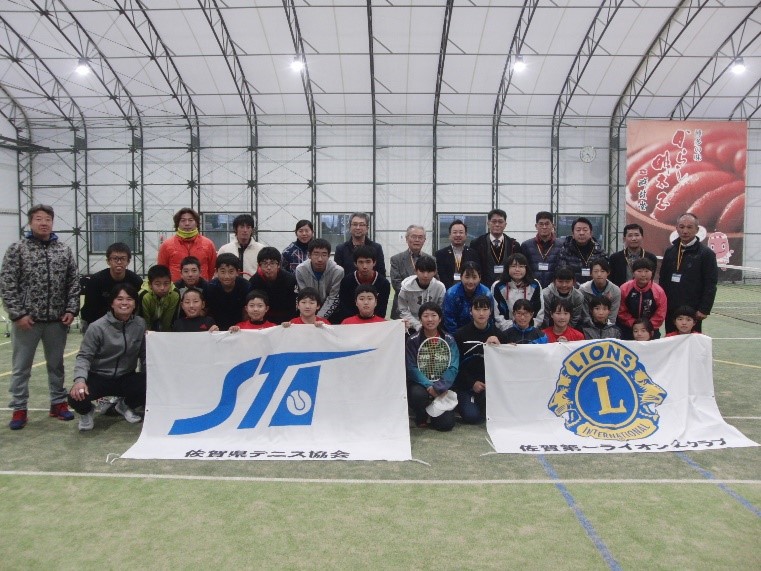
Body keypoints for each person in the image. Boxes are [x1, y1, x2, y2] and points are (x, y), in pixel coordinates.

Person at [1, 204, 80, 430]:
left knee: (56, 365)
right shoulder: (17, 249)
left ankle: (58, 403)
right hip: (27, 322)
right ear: (30, 222)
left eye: (47, 219)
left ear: (52, 223)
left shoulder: (63, 250)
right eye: (38, 219)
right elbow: (7, 283)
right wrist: (18, 314)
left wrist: (71, 309)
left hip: (56, 321)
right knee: (21, 367)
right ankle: (19, 408)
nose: (43, 223)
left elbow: (73, 282)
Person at [68, 284, 146, 431]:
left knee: (150, 386)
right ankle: (87, 411)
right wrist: (79, 381)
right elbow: (84, 357)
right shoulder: (97, 327)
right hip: (99, 377)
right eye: (119, 299)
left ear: (135, 303)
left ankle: (124, 405)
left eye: (129, 299)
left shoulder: (140, 324)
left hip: (126, 377)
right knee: (76, 396)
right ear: (112, 303)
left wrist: (150, 376)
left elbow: (144, 355)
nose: (124, 303)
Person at [659, 213, 718, 334]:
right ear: (676, 228)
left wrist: (704, 309)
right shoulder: (670, 251)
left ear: (697, 229)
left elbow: (710, 284)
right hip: (671, 308)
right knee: (671, 339)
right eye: (681, 227)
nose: (685, 231)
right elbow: (663, 279)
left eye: (689, 227)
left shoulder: (706, 254)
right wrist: (662, 305)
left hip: (693, 310)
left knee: (691, 342)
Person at [405, 302, 459, 431]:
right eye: (425, 316)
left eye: (434, 315)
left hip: (442, 385)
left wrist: (440, 387)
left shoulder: (449, 339)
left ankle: (434, 413)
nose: (430, 319)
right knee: (417, 395)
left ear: (440, 319)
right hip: (421, 385)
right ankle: (421, 415)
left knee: (445, 425)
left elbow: (453, 367)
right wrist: (429, 386)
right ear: (420, 319)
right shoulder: (412, 340)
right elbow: (411, 368)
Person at [453, 295, 506, 424]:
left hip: (489, 386)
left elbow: (505, 364)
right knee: (472, 417)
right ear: (471, 311)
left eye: (485, 309)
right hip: (466, 385)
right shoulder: (460, 334)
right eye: (477, 309)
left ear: (490, 311)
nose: (481, 313)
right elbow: (456, 366)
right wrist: (472, 383)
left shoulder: (499, 335)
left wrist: (504, 348)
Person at [80, 242, 143, 332]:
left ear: (128, 261)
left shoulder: (136, 281)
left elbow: (136, 307)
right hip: (95, 320)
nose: (119, 262)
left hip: (125, 322)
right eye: (115, 258)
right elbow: (90, 309)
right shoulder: (96, 280)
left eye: (123, 259)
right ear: (108, 261)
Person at [157, 207, 217, 281]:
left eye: (191, 220)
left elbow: (212, 269)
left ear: (197, 223)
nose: (187, 223)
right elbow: (162, 270)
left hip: (201, 286)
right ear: (177, 223)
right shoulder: (166, 245)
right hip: (175, 287)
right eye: (183, 220)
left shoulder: (208, 244)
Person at [294, 238, 344, 323]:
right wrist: (310, 317)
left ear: (329, 256)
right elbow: (303, 295)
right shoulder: (300, 270)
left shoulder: (338, 271)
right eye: (316, 254)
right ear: (309, 255)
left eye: (324, 255)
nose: (320, 259)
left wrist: (319, 318)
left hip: (331, 313)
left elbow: (333, 297)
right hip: (308, 309)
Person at [469, 208, 521, 288]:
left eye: (500, 222)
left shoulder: (514, 245)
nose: (497, 224)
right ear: (488, 223)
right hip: (483, 287)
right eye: (494, 221)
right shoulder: (477, 244)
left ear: (505, 224)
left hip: (508, 287)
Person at [337, 245, 390, 322]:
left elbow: (381, 311)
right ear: (355, 263)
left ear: (374, 263)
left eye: (368, 262)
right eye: (361, 262)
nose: (365, 266)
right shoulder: (346, 282)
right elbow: (345, 309)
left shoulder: (384, 283)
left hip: (374, 323)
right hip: (352, 323)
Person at [617, 258, 667, 340]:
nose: (643, 275)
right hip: (628, 329)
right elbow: (621, 310)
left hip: (651, 329)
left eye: (647, 271)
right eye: (639, 271)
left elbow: (660, 314)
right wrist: (634, 325)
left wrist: (647, 327)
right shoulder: (624, 288)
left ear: (652, 273)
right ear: (633, 273)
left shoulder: (659, 291)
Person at [492, 253, 544, 331]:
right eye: (513, 266)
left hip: (530, 329)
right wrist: (512, 328)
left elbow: (539, 311)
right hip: (506, 330)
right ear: (507, 268)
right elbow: (496, 314)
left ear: (526, 268)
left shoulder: (534, 284)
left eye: (521, 266)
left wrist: (528, 327)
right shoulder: (498, 286)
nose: (517, 269)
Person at [249, 247, 298, 324]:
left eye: (272, 263)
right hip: (263, 321)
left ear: (279, 265)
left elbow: (293, 306)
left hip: (286, 320)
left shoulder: (289, 279)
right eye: (265, 263)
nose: (268, 267)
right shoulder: (254, 281)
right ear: (259, 265)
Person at [397, 255, 446, 333]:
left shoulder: (440, 287)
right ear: (415, 271)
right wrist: (417, 325)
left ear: (435, 272)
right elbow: (403, 309)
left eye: (429, 272)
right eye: (422, 271)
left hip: (433, 325)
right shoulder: (406, 287)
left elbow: (441, 309)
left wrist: (431, 323)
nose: (425, 275)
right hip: (411, 325)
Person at [442, 261, 492, 334]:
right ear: (461, 277)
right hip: (457, 333)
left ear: (479, 278)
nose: (470, 281)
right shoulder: (451, 294)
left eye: (474, 277)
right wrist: (457, 337)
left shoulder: (486, 293)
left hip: (481, 331)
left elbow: (490, 318)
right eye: (467, 277)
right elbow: (449, 320)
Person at [205, 253, 250, 331]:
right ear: (216, 272)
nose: (227, 276)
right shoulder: (210, 287)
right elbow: (207, 312)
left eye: (231, 272)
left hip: (239, 329)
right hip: (215, 329)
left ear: (237, 272)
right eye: (223, 272)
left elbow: (247, 312)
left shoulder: (245, 287)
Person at [390, 225, 427, 318]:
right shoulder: (396, 259)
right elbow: (396, 283)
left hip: (425, 306)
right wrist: (415, 295)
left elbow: (435, 282)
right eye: (414, 237)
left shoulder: (430, 259)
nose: (417, 240)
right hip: (402, 306)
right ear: (407, 239)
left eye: (420, 237)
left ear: (424, 240)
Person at [557, 216, 607, 285]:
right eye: (578, 230)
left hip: (594, 289)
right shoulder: (565, 251)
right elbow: (562, 273)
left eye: (585, 230)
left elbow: (604, 274)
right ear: (573, 234)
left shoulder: (599, 251)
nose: (581, 233)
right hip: (572, 289)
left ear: (591, 233)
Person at [334, 212, 386, 277]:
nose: (358, 228)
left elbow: (381, 274)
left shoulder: (376, 248)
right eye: (355, 224)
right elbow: (338, 275)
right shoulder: (341, 249)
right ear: (349, 227)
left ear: (367, 228)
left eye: (361, 225)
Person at [435, 219, 479, 290]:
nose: (458, 235)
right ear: (449, 235)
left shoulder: (473, 253)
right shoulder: (440, 254)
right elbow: (440, 276)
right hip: (447, 291)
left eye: (461, 232)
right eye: (455, 232)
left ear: (466, 235)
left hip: (469, 291)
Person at [521, 211, 561, 288]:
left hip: (554, 289)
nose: (544, 227)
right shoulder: (526, 245)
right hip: (532, 288)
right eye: (541, 224)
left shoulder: (561, 245)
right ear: (536, 226)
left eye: (547, 224)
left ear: (553, 226)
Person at [138, 265, 180, 332]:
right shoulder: (144, 295)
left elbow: (169, 319)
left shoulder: (175, 294)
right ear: (150, 285)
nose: (162, 288)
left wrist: (165, 335)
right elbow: (145, 320)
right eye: (157, 284)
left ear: (170, 282)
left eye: (166, 284)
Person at [578, 258, 620, 324]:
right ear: (591, 273)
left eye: (602, 271)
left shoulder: (615, 290)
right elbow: (585, 315)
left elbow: (612, 316)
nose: (599, 274)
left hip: (608, 325)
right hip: (587, 325)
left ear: (608, 273)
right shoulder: (583, 290)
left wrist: (608, 327)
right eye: (596, 271)